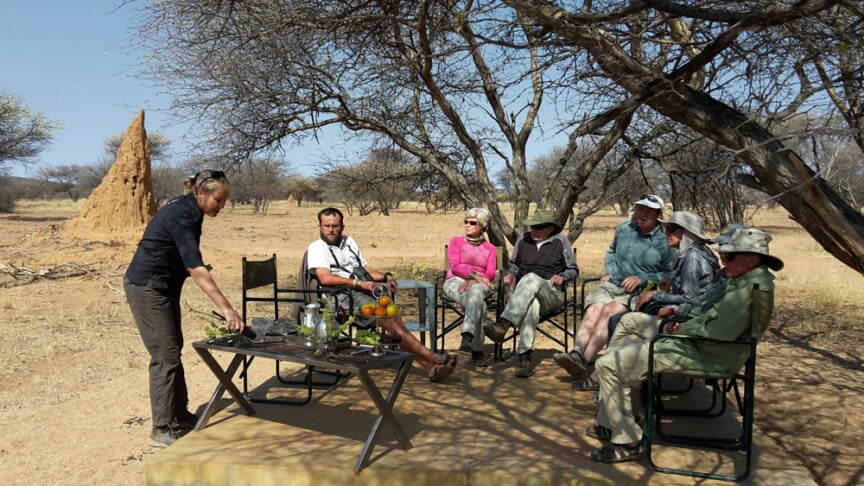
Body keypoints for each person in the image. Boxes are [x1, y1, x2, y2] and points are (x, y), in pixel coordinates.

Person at [586, 227, 782, 463]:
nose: (722, 259)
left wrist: (679, 328)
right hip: (702, 346)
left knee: (609, 364)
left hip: (707, 353)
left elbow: (719, 332)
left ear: (751, 258)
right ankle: (614, 419)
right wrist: (680, 323)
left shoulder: (749, 287)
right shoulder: (746, 280)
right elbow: (710, 314)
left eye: (728, 256)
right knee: (624, 346)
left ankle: (628, 440)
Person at [124, 169, 246, 449]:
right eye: (218, 200)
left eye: (224, 202)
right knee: (165, 356)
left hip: (164, 287)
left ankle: (178, 414)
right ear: (201, 193)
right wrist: (228, 309)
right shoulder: (181, 216)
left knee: (172, 349)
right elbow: (195, 266)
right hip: (148, 287)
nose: (221, 207)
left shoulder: (194, 212)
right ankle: (161, 428)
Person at [554, 211, 718, 389]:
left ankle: (604, 375)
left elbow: (690, 298)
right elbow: (694, 291)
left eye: (672, 228)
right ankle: (598, 370)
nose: (666, 233)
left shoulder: (692, 258)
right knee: (615, 318)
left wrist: (654, 295)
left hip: (685, 321)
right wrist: (669, 281)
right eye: (666, 228)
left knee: (619, 321)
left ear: (687, 233)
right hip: (685, 315)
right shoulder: (693, 253)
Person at [307, 207, 457, 382]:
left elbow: (363, 269)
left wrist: (385, 276)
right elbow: (325, 278)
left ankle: (431, 367)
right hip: (340, 296)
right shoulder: (317, 248)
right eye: (326, 226)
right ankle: (433, 358)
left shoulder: (348, 242)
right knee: (391, 322)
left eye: (335, 225)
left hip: (360, 292)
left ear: (342, 226)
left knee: (395, 324)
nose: (331, 230)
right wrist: (357, 283)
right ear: (319, 226)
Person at [552, 195, 676, 388]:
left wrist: (642, 278)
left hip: (640, 291)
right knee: (594, 309)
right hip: (613, 283)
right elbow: (611, 251)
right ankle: (576, 353)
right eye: (640, 209)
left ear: (659, 214)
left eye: (649, 211)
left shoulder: (664, 240)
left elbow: (669, 274)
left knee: (610, 310)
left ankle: (584, 360)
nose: (642, 214)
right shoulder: (624, 229)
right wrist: (613, 271)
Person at [482, 209, 579, 378]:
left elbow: (573, 269)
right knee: (531, 304)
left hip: (552, 292)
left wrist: (563, 276)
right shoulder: (523, 239)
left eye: (538, 227)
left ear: (550, 229)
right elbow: (514, 265)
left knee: (531, 278)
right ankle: (524, 358)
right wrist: (511, 274)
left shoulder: (560, 241)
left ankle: (503, 325)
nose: (533, 230)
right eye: (532, 227)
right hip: (525, 296)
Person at [442, 208, 497, 367]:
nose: (467, 225)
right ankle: (477, 351)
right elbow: (456, 266)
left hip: (480, 284)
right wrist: (475, 276)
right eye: (466, 222)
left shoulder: (490, 249)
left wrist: (475, 281)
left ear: (483, 226)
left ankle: (468, 335)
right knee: (480, 302)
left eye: (473, 223)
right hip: (455, 281)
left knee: (477, 293)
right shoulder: (456, 241)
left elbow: (491, 273)